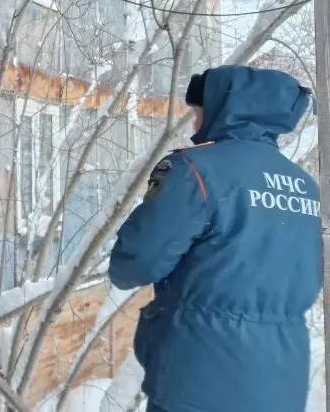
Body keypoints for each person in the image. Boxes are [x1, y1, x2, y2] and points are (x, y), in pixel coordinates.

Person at [109, 65, 321, 412]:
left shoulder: (195, 170)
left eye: (198, 112)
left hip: (200, 380)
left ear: (224, 109)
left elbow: (134, 264)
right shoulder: (304, 185)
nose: (194, 124)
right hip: (282, 381)